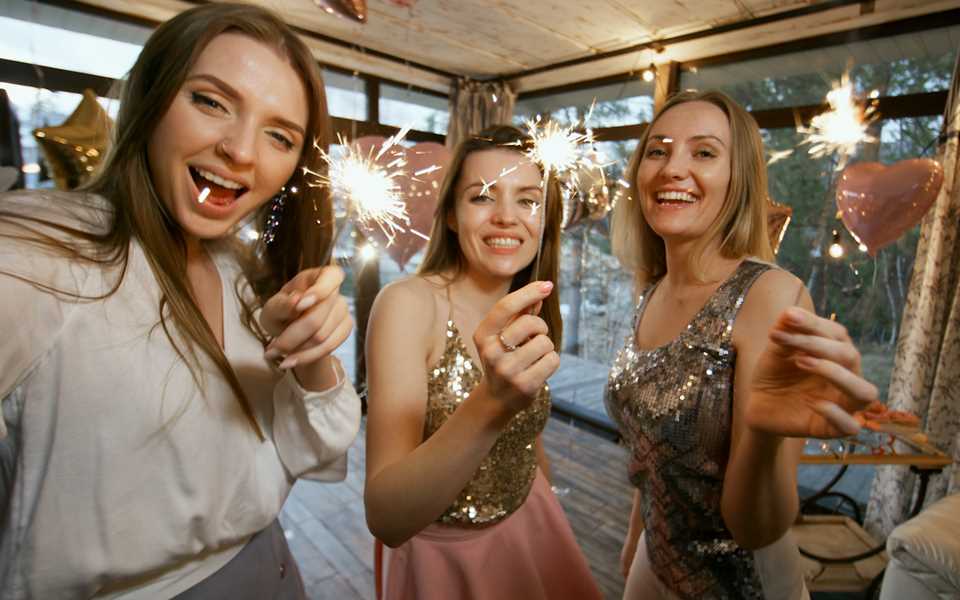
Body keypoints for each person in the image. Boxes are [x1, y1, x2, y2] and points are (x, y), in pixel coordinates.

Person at [0, 4, 361, 598]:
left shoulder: (238, 272)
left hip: (272, 569)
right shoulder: (41, 255)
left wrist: (310, 353)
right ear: (150, 100)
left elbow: (316, 455)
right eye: (211, 101)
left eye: (279, 135)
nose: (242, 151)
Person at [605, 90, 880, 600]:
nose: (673, 168)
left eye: (704, 152)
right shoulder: (653, 287)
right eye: (658, 150)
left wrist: (762, 433)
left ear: (739, 180)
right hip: (654, 567)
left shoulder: (772, 295)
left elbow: (756, 529)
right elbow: (653, 447)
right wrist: (636, 534)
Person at [364, 125, 602, 600]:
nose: (506, 218)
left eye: (528, 200)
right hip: (449, 562)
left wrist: (545, 508)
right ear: (451, 214)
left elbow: (528, 440)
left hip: (534, 524)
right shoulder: (407, 304)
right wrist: (492, 403)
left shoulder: (529, 304)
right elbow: (386, 517)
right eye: (482, 198)